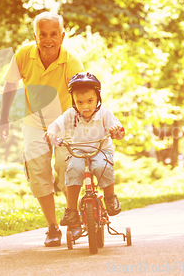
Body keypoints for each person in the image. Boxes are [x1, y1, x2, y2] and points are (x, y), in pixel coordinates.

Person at [0, 12, 84, 247]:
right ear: (35, 36)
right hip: (35, 124)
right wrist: (3, 117)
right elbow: (10, 85)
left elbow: (81, 96)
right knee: (38, 176)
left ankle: (74, 219)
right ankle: (52, 227)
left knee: (68, 169)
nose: (48, 40)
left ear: (62, 36)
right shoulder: (24, 55)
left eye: (53, 34)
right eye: (43, 34)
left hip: (65, 123)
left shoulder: (71, 61)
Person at [43, 72, 125, 238]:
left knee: (102, 166)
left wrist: (117, 132)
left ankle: (110, 198)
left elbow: (119, 132)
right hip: (78, 151)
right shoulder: (71, 114)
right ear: (74, 102)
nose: (85, 106)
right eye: (80, 102)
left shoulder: (104, 113)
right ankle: (71, 210)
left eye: (90, 101)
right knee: (72, 169)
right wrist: (51, 133)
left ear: (97, 99)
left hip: (101, 149)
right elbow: (55, 126)